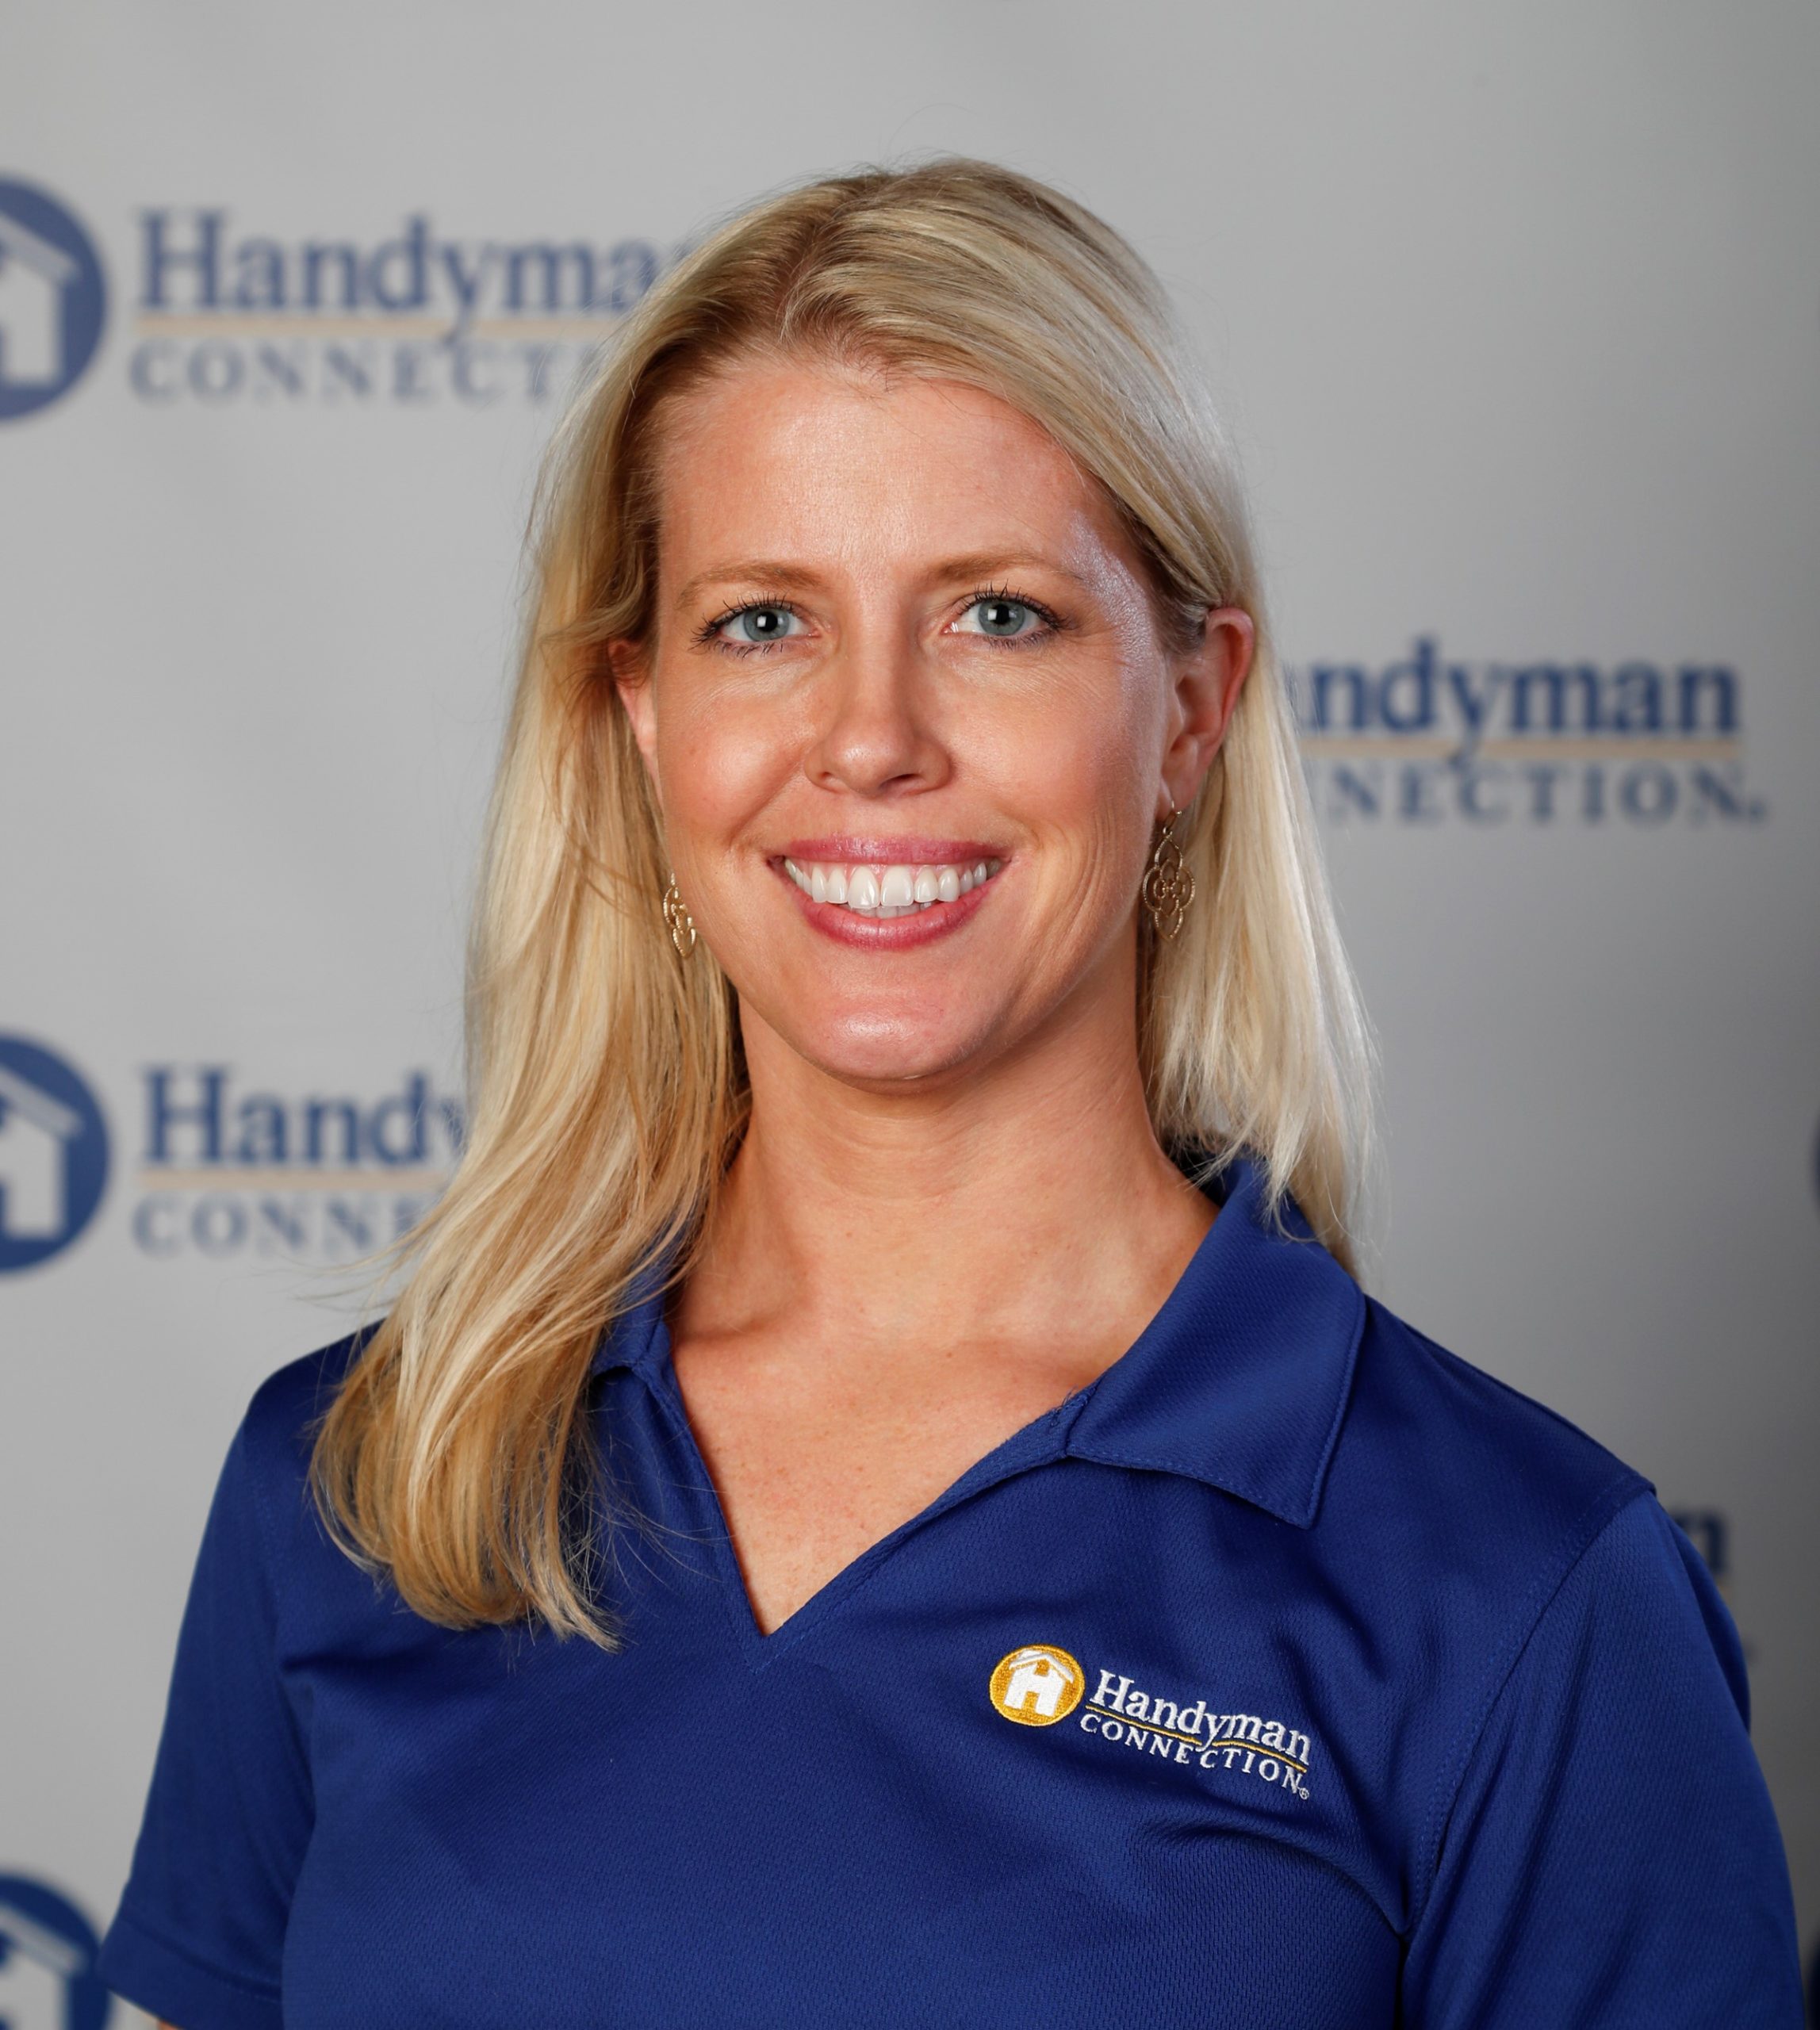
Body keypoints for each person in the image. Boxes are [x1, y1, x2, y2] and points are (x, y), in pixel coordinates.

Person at [98, 159, 1803, 2028]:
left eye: (995, 614)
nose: (871, 738)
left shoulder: (1523, 1584)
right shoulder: (372, 1475)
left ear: (1188, 705)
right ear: (642, 715)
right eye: (763, 621)